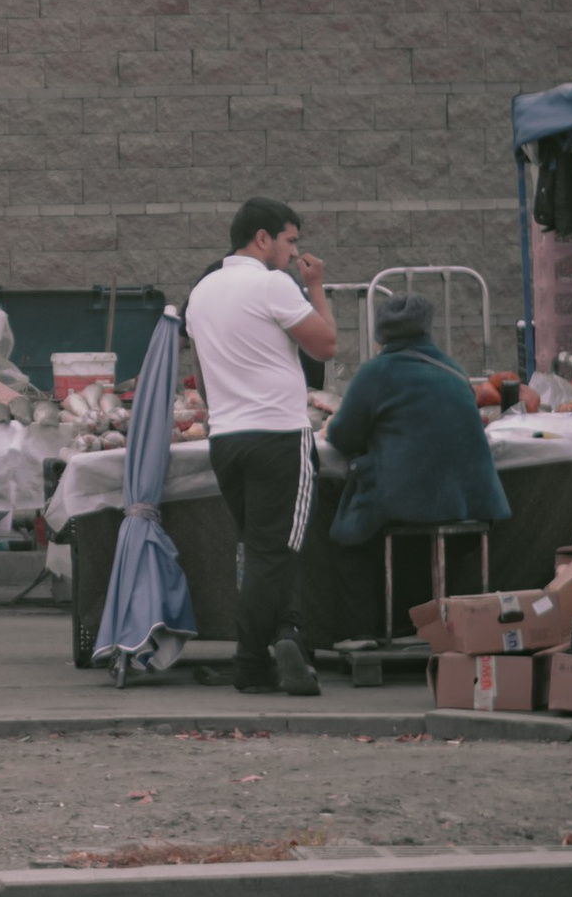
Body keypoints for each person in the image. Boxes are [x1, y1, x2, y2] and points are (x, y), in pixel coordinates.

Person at [182, 193, 337, 696]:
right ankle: (250, 660)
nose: (295, 253)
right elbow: (325, 345)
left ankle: (288, 635)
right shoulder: (273, 284)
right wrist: (315, 287)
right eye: (291, 241)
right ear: (264, 238)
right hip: (278, 435)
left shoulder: (201, 292)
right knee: (275, 552)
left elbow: (203, 382)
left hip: (226, 438)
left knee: (266, 549)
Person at [323, 297, 510, 558]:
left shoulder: (375, 372)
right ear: (426, 327)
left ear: (380, 335)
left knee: (343, 542)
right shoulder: (454, 371)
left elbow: (343, 437)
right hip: (473, 507)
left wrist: (333, 423)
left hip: (407, 507)